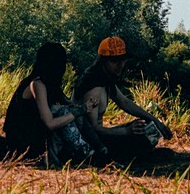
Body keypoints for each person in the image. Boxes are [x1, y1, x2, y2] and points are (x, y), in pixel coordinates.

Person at [74, 36, 173, 167]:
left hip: (101, 136)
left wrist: (156, 120)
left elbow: (125, 102)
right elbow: (91, 130)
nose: (120, 65)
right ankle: (137, 156)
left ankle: (139, 154)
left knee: (146, 127)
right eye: (115, 61)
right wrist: (126, 132)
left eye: (123, 60)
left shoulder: (106, 79)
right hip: (87, 142)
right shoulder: (94, 85)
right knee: (138, 136)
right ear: (103, 61)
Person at [3, 42, 104, 165]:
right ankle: (85, 153)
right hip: (23, 143)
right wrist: (80, 110)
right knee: (63, 112)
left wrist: (84, 107)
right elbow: (49, 123)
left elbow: (70, 105)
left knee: (73, 114)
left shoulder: (50, 85)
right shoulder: (37, 84)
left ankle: (99, 150)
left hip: (37, 136)